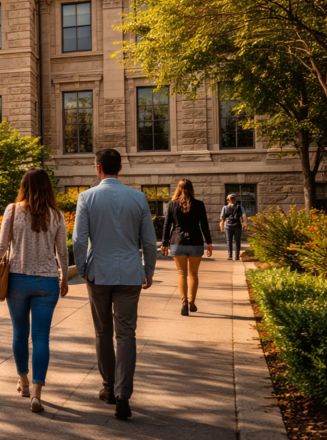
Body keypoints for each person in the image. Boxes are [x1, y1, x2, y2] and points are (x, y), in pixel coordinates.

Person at [72, 149, 157, 421]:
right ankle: (123, 393)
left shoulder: (86, 197)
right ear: (120, 167)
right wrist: (149, 270)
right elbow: (149, 242)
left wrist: (83, 269)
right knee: (126, 334)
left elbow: (78, 240)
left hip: (98, 273)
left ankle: (108, 388)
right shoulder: (139, 197)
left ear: (97, 169)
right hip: (131, 273)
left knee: (102, 333)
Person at [0, 168, 69, 413]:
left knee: (19, 333)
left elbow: (2, 244)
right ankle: (37, 392)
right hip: (46, 282)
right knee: (42, 337)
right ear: (48, 186)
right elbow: (62, 252)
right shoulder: (57, 215)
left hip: (17, 280)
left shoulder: (12, 210)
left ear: (24, 185)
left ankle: (23, 381)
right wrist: (64, 277)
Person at [162, 179, 213, 315]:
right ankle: (192, 302)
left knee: (181, 273)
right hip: (195, 242)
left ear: (178, 189)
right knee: (193, 274)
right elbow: (204, 226)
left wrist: (164, 243)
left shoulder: (172, 205)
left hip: (177, 242)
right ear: (191, 189)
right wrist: (209, 243)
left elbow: (167, 226)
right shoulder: (199, 204)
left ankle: (184, 301)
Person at [220, 193, 248, 261]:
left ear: (228, 200)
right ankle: (237, 256)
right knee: (237, 241)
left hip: (228, 226)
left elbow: (222, 217)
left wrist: (222, 226)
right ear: (235, 199)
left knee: (229, 241)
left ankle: (230, 256)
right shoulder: (240, 207)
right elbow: (243, 215)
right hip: (237, 225)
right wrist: (245, 222)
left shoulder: (225, 207)